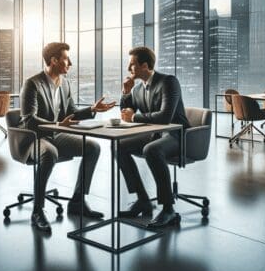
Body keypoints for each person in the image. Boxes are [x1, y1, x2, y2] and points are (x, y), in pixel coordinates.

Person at [20, 42, 116, 233]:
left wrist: (92, 110)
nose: (70, 63)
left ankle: (77, 201)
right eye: (66, 59)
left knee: (93, 147)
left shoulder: (65, 84)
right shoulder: (32, 84)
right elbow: (29, 120)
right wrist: (56, 126)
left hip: (57, 134)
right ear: (54, 61)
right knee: (49, 153)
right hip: (35, 137)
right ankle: (37, 211)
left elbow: (71, 112)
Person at [116, 46, 190, 228]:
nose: (128, 69)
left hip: (176, 134)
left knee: (152, 150)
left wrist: (133, 117)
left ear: (145, 65)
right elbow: (126, 111)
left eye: (132, 65)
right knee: (119, 146)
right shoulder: (138, 89)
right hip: (154, 134)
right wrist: (126, 92)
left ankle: (168, 210)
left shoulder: (168, 82)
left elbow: (165, 117)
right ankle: (143, 200)